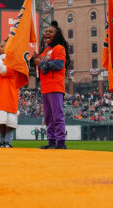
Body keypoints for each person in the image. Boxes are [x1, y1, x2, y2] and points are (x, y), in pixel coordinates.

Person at [32, 21, 69, 149]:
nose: (47, 33)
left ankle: (61, 143)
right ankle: (51, 142)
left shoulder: (59, 48)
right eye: (46, 31)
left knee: (57, 115)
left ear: (57, 34)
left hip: (55, 87)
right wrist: (34, 60)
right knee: (48, 117)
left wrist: (40, 62)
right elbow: (37, 65)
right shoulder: (45, 50)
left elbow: (58, 65)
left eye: (51, 31)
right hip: (45, 88)